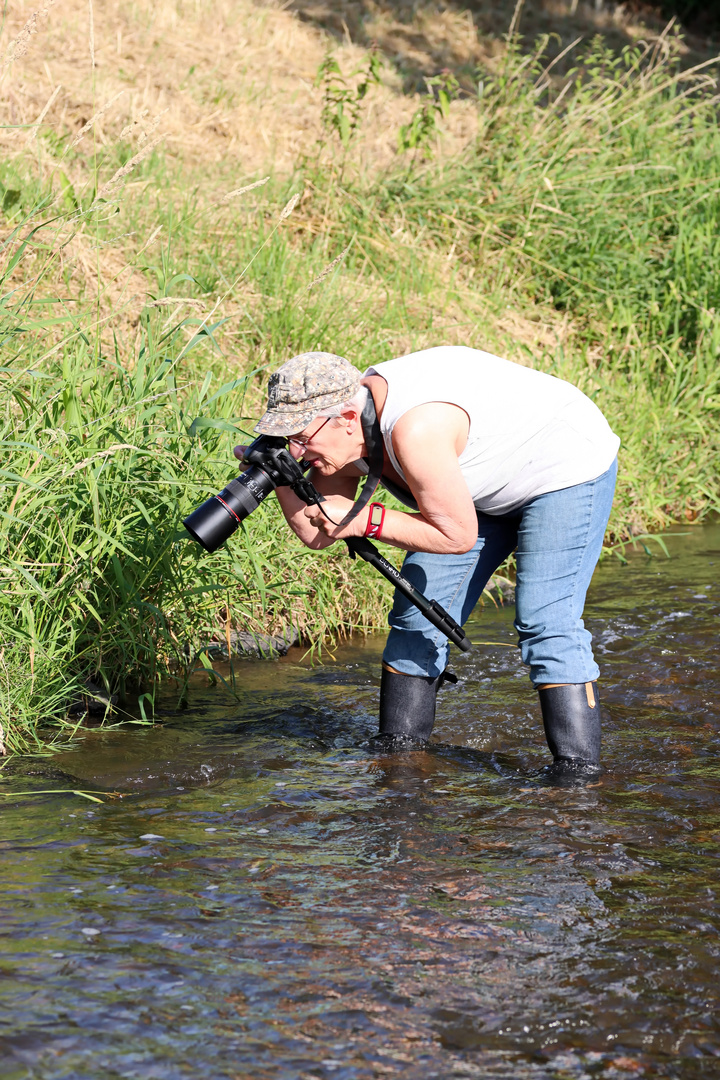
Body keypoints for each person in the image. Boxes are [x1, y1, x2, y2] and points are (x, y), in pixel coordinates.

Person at [236, 346, 620, 779]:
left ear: (345, 416)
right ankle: (398, 760)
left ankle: (577, 780)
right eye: (288, 441)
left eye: (302, 438)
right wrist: (280, 477)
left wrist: (369, 519)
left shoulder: (414, 428)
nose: (299, 450)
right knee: (417, 616)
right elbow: (318, 531)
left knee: (545, 620)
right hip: (471, 486)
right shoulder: (341, 437)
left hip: (562, 469)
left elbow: (457, 535)